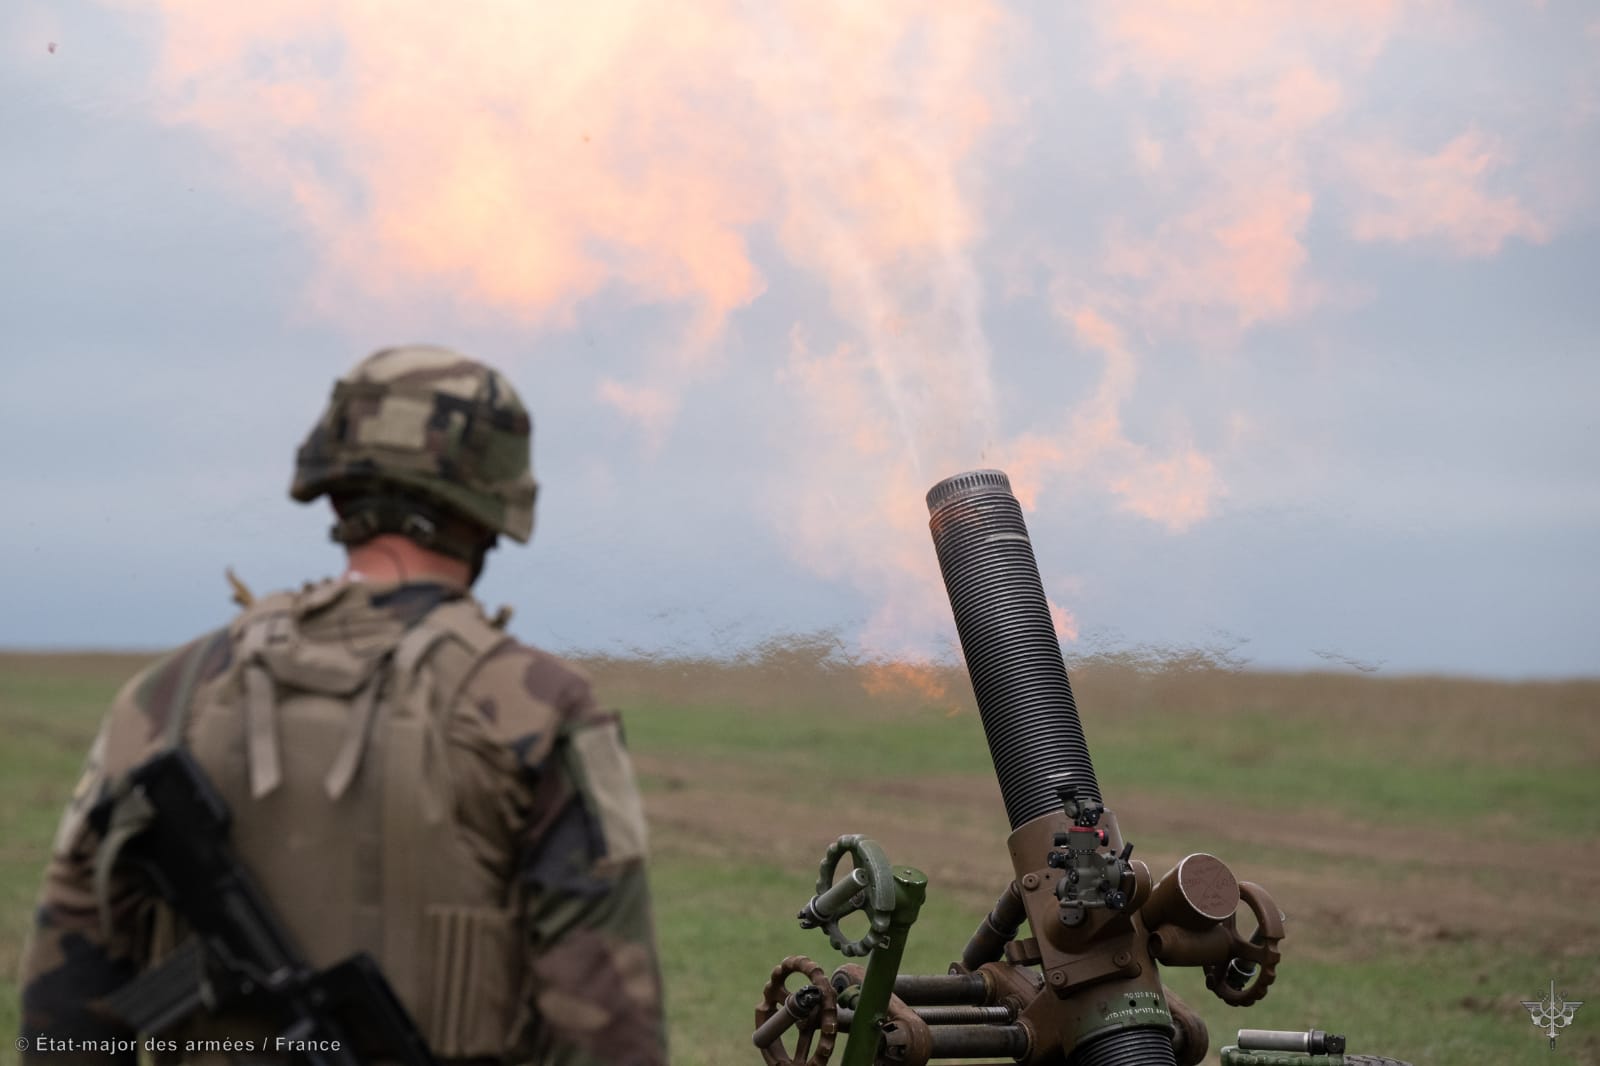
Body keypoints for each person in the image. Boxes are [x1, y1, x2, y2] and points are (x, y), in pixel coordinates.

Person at [18, 345, 668, 1065]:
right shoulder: (540, 709)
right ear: (493, 507)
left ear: (334, 489)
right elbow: (609, 1024)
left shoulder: (170, 692)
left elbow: (66, 996)